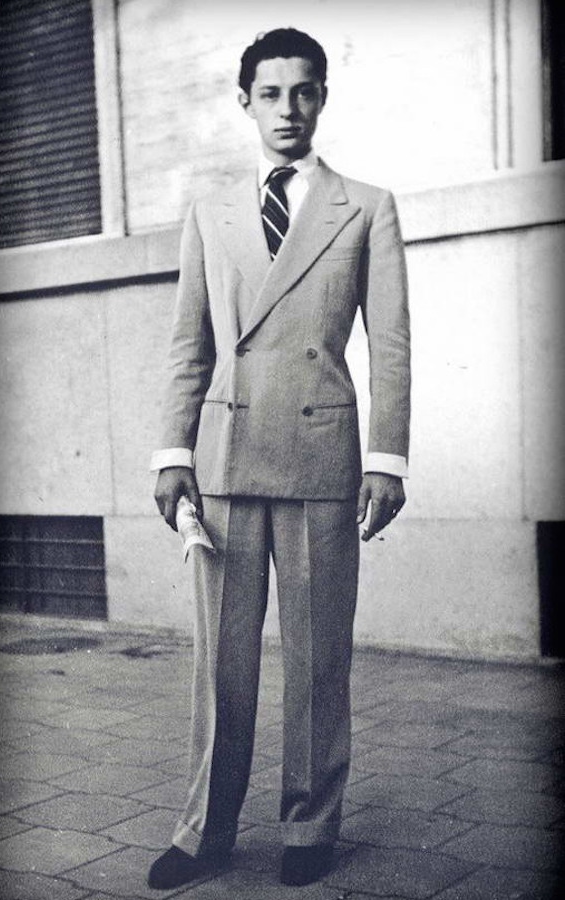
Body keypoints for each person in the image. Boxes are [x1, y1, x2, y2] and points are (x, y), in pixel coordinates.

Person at [148, 27, 410, 889]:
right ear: (246, 103)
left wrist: (388, 459)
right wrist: (169, 451)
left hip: (318, 455)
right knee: (218, 664)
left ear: (322, 98)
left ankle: (310, 823)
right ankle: (204, 830)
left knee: (314, 658)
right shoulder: (210, 211)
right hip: (222, 459)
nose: (287, 110)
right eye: (270, 94)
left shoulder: (365, 205)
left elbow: (392, 345)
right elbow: (190, 344)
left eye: (303, 92)